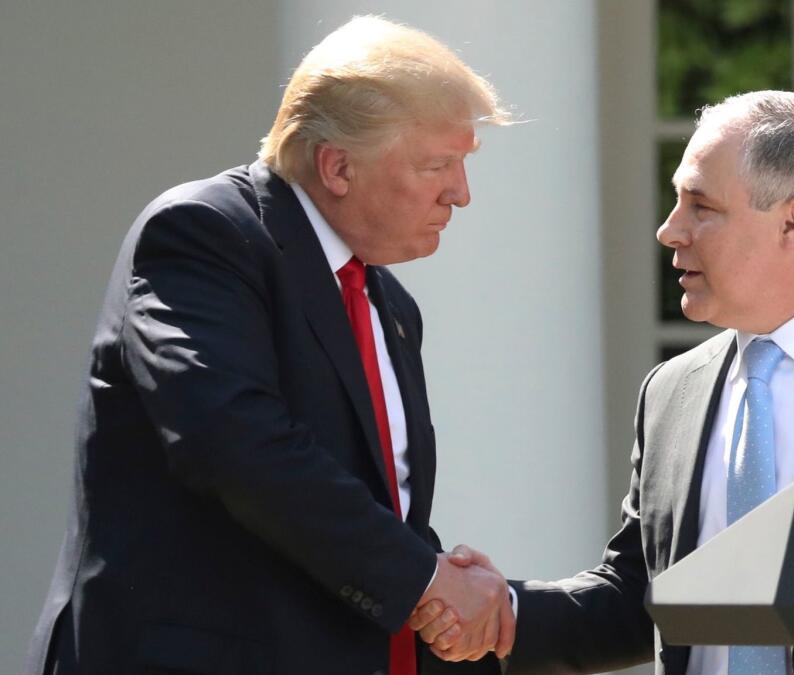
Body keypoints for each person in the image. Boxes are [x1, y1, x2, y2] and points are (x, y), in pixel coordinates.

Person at [413, 91, 794, 674]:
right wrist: (503, 612)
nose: (670, 230)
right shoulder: (671, 393)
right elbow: (642, 599)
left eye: (700, 206)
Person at [25, 16, 513, 675]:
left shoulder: (389, 305)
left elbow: (364, 509)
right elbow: (235, 441)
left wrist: (454, 597)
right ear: (336, 165)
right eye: (437, 165)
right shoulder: (204, 234)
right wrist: (426, 579)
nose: (460, 192)